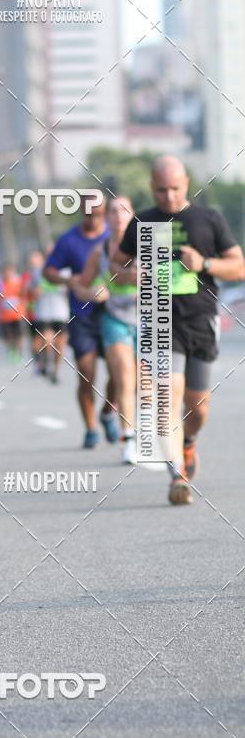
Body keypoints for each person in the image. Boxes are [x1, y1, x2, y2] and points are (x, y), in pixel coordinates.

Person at [115, 155, 245, 504]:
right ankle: (178, 475)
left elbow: (239, 267)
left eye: (174, 188)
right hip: (159, 318)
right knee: (168, 394)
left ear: (186, 183)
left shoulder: (209, 219)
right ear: (151, 187)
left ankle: (188, 444)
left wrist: (204, 264)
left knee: (198, 405)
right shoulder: (142, 221)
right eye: (161, 190)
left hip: (200, 319)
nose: (169, 196)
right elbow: (117, 263)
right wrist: (128, 275)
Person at [44, 194, 119, 448]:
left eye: (98, 214)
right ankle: (90, 428)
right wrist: (68, 280)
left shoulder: (116, 236)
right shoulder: (68, 240)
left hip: (114, 313)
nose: (93, 219)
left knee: (119, 373)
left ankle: (108, 411)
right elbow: (49, 270)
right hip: (82, 315)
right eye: (88, 214)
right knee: (87, 374)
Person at [71, 197, 138, 464]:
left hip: (145, 319)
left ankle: (110, 413)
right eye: (113, 211)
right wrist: (92, 292)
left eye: (124, 210)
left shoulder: (149, 245)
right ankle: (129, 441)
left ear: (132, 216)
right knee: (124, 375)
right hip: (114, 319)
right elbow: (79, 286)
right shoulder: (99, 252)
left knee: (140, 382)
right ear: (107, 218)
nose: (119, 216)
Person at [28, 246, 69, 383]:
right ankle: (44, 362)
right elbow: (30, 290)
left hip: (61, 312)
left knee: (60, 345)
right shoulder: (38, 271)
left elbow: (73, 288)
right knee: (47, 340)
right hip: (44, 312)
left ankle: (55, 371)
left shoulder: (65, 271)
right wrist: (35, 291)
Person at [0, 264, 25, 361]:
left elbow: (23, 295)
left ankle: (18, 352)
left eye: (10, 271)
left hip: (17, 315)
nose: (8, 274)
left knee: (19, 335)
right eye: (6, 272)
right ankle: (11, 350)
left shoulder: (18, 283)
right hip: (5, 316)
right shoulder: (0, 284)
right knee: (8, 336)